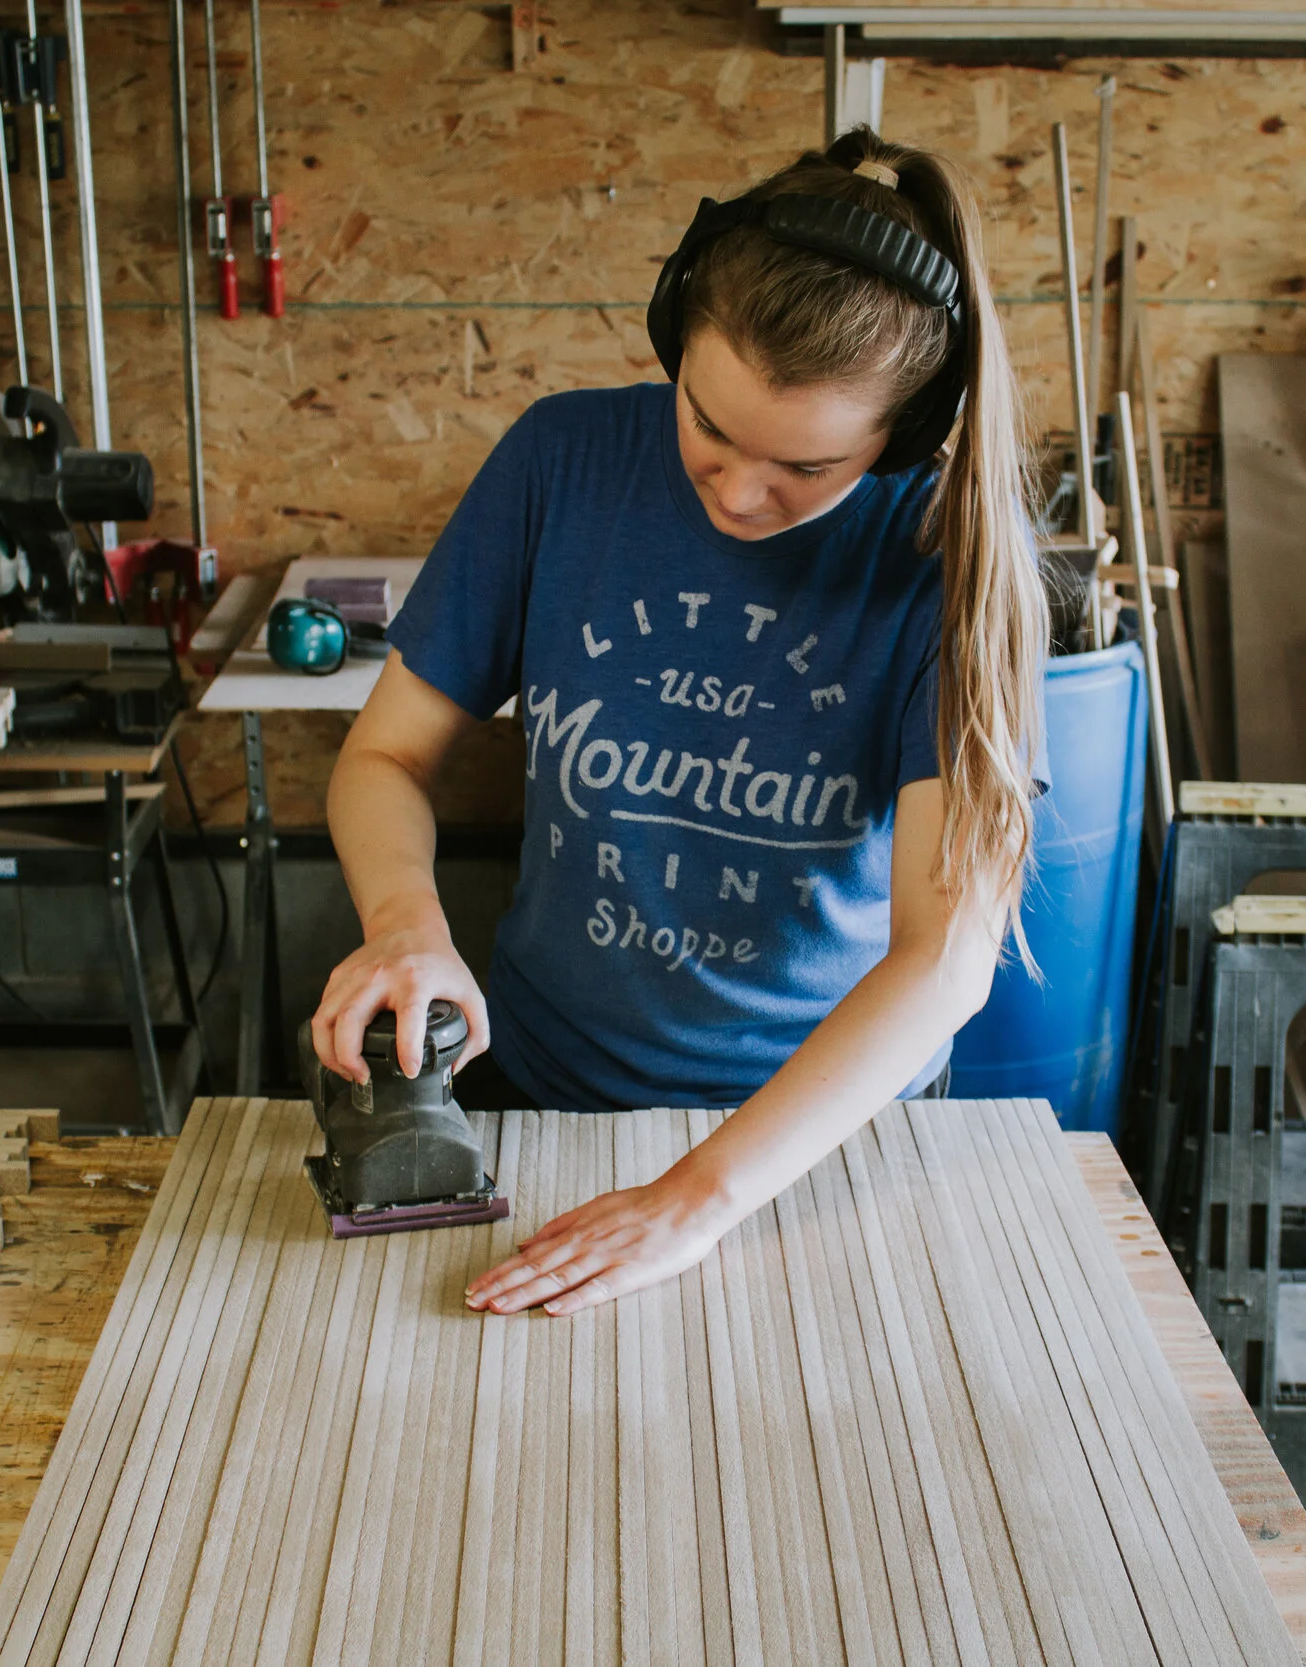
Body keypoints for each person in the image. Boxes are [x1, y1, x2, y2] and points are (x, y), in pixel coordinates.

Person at [309, 128, 1045, 1317]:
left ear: (901, 437)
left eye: (805, 467)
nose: (741, 492)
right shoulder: (563, 462)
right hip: (543, 1092)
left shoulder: (946, 560)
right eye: (708, 427)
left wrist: (696, 1197)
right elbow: (386, 755)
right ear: (673, 339)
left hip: (810, 1149)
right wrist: (405, 924)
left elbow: (944, 956)